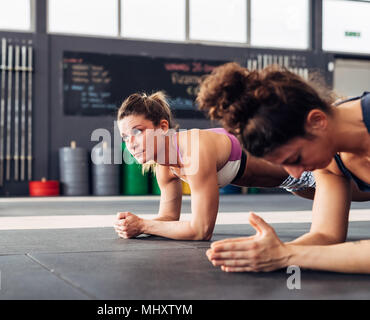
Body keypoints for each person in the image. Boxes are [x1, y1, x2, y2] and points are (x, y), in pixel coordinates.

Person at [114, 91, 369, 242]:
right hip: (293, 182)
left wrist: (145, 226)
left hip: (312, 163)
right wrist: (136, 224)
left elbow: (201, 230)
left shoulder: (194, 149)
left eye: (138, 131)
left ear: (162, 127)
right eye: (125, 137)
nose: (131, 143)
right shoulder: (164, 167)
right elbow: (169, 219)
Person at [197, 62, 370, 274]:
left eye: (295, 158)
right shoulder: (330, 162)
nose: (296, 175)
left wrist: (287, 255)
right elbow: (327, 235)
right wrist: (270, 252)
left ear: (317, 121)